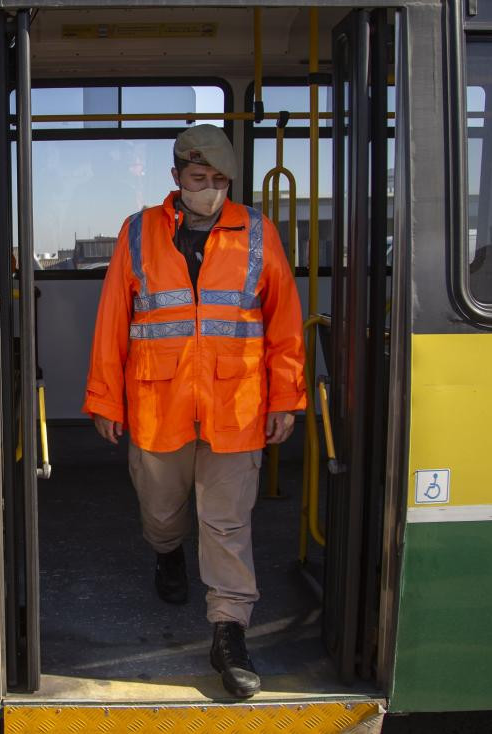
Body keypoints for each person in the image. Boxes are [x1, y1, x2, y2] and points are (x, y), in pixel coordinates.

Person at [83, 124, 306, 699]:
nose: (209, 189)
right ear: (176, 176)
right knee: (162, 513)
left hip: (237, 408)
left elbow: (284, 324)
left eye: (219, 180)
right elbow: (113, 322)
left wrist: (286, 396)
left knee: (228, 524)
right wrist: (105, 399)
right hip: (159, 406)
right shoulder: (138, 234)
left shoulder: (257, 233)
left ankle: (228, 633)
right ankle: (167, 555)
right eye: (198, 178)